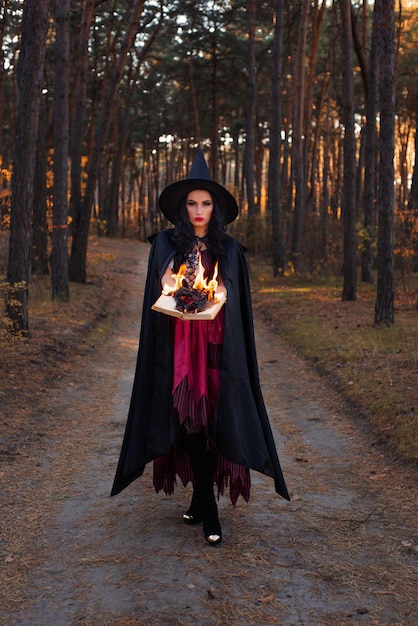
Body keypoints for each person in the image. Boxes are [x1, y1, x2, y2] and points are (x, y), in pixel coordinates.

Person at [111, 147, 289, 546]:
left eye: (206, 203)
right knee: (188, 417)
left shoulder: (230, 250)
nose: (198, 210)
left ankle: (198, 498)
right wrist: (172, 285)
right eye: (191, 203)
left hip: (217, 345)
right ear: (181, 207)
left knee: (211, 421)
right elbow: (163, 288)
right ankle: (209, 509)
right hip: (178, 345)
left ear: (215, 208)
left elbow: (234, 300)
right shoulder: (165, 244)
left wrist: (219, 289)